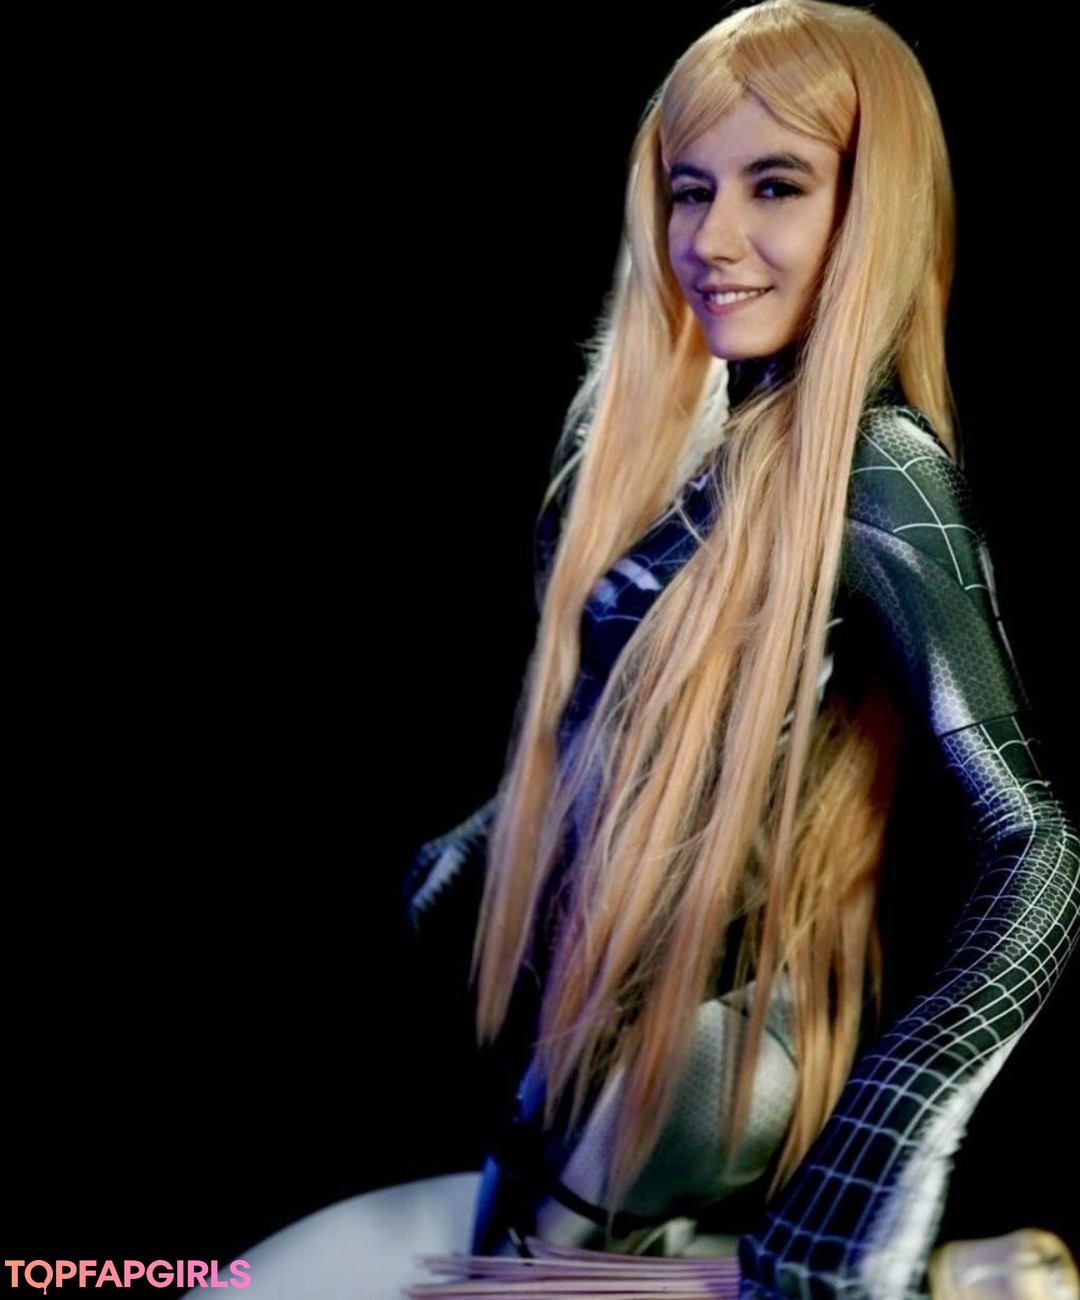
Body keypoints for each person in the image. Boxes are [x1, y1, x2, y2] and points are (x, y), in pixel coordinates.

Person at [401, 1, 1079, 1295]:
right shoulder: (678, 444)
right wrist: (479, 850)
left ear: (868, 208)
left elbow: (1033, 844)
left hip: (699, 1061)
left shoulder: (876, 474)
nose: (712, 239)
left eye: (776, 185)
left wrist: (885, 1142)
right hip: (588, 1041)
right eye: (689, 189)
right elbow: (611, 723)